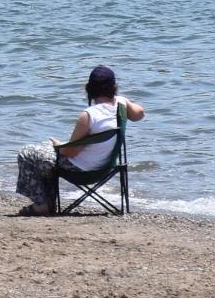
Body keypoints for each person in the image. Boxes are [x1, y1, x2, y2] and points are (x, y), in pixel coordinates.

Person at [15, 63, 145, 215]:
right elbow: (139, 114)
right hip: (106, 167)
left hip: (82, 170)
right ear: (114, 87)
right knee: (43, 150)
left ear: (89, 89)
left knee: (27, 153)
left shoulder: (89, 115)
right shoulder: (121, 103)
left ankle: (41, 204)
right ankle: (47, 202)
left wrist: (60, 145)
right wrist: (122, 100)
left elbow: (71, 153)